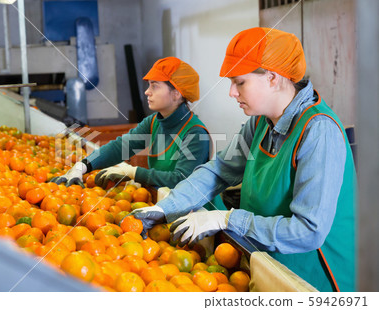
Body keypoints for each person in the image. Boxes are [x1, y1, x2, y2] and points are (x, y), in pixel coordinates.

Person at [131, 27, 356, 292]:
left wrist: (227, 220)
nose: (232, 93)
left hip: (314, 278)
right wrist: (164, 207)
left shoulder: (318, 131)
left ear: (273, 78)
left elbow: (308, 232)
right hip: (269, 264)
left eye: (240, 82)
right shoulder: (260, 123)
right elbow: (218, 171)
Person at [51, 56, 227, 211]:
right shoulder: (154, 122)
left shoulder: (195, 133)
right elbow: (121, 147)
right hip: (172, 206)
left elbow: (180, 179)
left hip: (202, 215)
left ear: (176, 94)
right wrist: (83, 166)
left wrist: (134, 172)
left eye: (154, 86)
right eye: (148, 85)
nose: (147, 92)